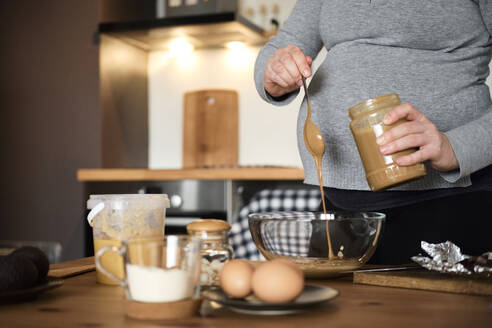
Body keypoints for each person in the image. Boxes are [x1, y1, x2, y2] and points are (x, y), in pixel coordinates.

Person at [254, 0, 492, 264]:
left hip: (449, 200)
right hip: (338, 201)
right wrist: (274, 70)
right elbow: (285, 44)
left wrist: (455, 147)